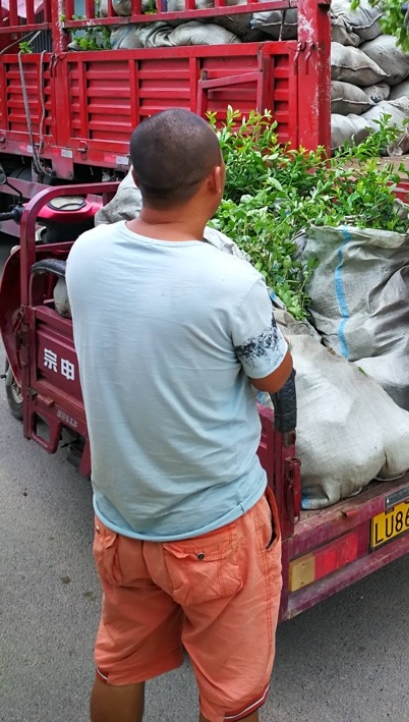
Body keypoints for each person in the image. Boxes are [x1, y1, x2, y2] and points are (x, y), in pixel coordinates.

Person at [65, 108, 294, 722]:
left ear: (134, 177)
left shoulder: (85, 254)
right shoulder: (229, 281)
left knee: (118, 664)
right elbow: (275, 378)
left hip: (121, 522)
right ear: (217, 181)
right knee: (232, 698)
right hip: (214, 530)